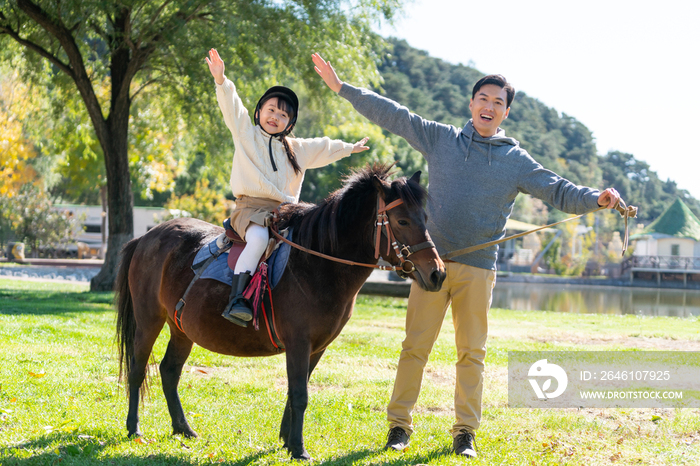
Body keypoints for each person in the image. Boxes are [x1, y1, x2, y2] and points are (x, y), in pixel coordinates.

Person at [312, 52, 620, 459]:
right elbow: (395, 114)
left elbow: (559, 190)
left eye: (497, 102)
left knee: (472, 354)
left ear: (506, 112)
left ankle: (465, 433)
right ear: (471, 103)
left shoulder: (515, 161)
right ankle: (399, 427)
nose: (489, 107)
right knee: (414, 348)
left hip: (478, 270)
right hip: (431, 267)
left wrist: (595, 199)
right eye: (483, 99)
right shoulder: (441, 139)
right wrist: (343, 89)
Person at [206, 49, 370, 326]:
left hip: (284, 213)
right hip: (251, 210)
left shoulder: (294, 149)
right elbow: (232, 107)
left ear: (290, 123)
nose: (275, 116)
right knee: (258, 240)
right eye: (271, 110)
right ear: (259, 111)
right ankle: (237, 300)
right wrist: (222, 81)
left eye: (283, 115)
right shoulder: (246, 134)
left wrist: (348, 148)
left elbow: (322, 146)